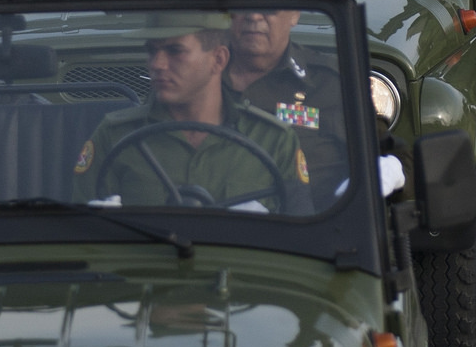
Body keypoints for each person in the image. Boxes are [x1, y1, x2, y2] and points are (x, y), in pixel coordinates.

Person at [71, 15, 312, 212]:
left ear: (218, 60)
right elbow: (82, 238)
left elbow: (303, 238)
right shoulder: (115, 136)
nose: (157, 64)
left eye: (175, 51)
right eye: (152, 51)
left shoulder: (274, 140)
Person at [221, 0, 349, 191]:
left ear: (295, 13)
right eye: (243, 2)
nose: (254, 16)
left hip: (312, 225)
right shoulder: (196, 78)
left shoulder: (331, 84)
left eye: (269, 3)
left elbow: (391, 154)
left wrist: (381, 176)